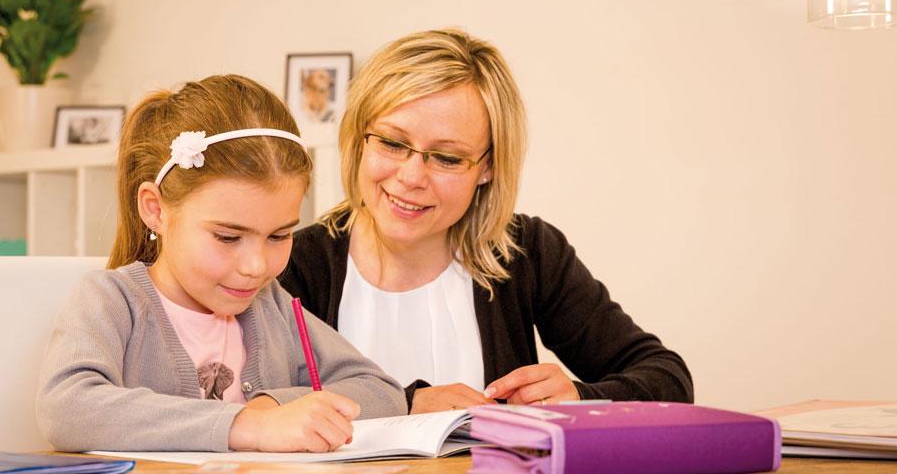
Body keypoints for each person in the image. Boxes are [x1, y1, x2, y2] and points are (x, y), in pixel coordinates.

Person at [279, 29, 693, 414]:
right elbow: (247, 407)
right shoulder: (290, 262)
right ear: (358, 139)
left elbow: (668, 379)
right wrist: (406, 404)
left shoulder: (528, 253)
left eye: (447, 157)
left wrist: (581, 397)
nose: (411, 177)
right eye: (392, 143)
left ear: (488, 167)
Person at [36, 75, 405, 452]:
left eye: (279, 236)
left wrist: (274, 405)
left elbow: (381, 391)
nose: (256, 267)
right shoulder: (113, 300)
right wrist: (248, 425)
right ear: (155, 209)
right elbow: (66, 409)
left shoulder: (272, 306)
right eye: (228, 237)